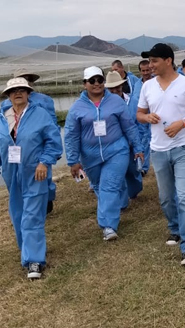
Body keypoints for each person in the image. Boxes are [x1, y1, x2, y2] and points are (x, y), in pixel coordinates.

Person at [0, 77, 63, 280]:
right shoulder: (1, 118)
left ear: (29, 93)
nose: (18, 93)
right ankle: (27, 247)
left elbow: (53, 142)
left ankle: (34, 261)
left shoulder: (40, 115)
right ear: (8, 95)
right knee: (18, 214)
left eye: (22, 89)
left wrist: (44, 162)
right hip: (12, 175)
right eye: (13, 91)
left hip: (35, 173)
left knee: (32, 216)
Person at [137, 43, 185, 266]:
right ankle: (174, 229)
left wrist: (182, 123)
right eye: (149, 62)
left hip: (184, 147)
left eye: (154, 61)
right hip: (158, 150)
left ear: (168, 60)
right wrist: (147, 118)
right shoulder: (147, 86)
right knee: (166, 198)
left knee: (184, 196)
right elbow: (139, 113)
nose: (150, 65)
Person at [64, 66, 144, 241]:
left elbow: (129, 126)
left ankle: (108, 226)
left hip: (117, 151)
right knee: (100, 186)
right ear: (85, 84)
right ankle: (111, 211)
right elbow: (71, 135)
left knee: (110, 185)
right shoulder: (77, 108)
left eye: (100, 80)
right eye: (92, 81)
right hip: (89, 156)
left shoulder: (116, 102)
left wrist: (137, 148)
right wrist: (73, 161)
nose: (96, 84)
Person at [0, 68, 59, 214]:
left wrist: (51, 146)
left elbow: (52, 122)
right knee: (17, 177)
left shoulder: (44, 100)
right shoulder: (6, 106)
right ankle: (25, 205)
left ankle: (47, 199)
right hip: (17, 146)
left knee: (44, 174)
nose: (18, 92)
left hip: (39, 141)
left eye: (28, 79)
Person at [105, 71, 147, 203]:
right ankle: (122, 203)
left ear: (122, 86)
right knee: (117, 174)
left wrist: (138, 144)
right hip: (113, 146)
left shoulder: (133, 102)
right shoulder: (103, 105)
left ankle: (134, 190)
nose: (115, 90)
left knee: (132, 171)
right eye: (111, 88)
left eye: (117, 87)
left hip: (131, 143)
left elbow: (140, 125)